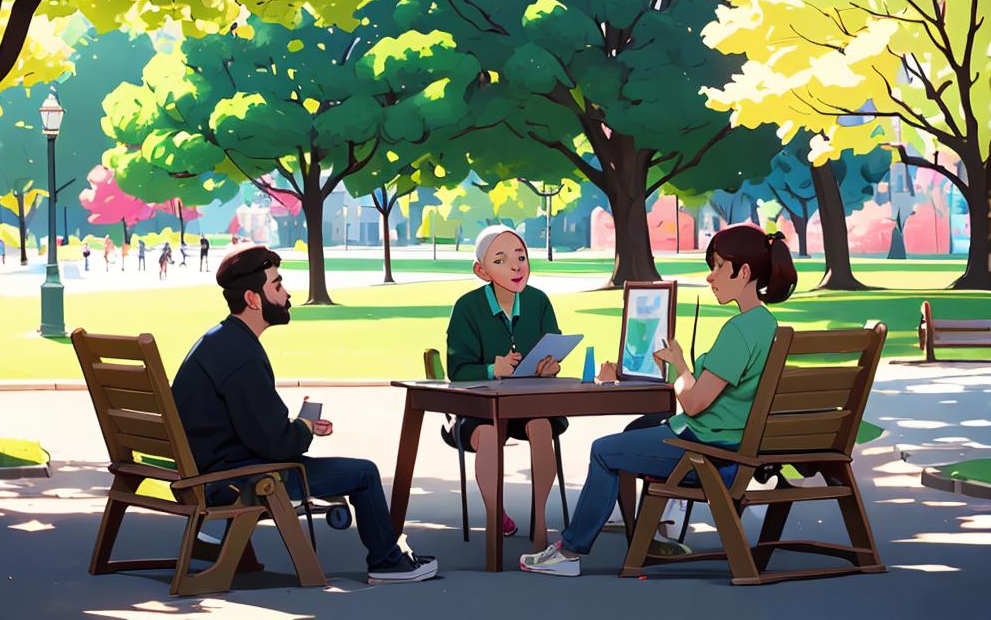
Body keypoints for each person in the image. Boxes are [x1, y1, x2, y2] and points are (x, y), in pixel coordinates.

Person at [520, 224, 798, 577]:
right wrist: (679, 366)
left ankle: (570, 552)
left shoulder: (739, 331)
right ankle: (648, 535)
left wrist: (680, 366)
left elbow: (695, 403)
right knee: (639, 427)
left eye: (717, 267)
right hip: (734, 440)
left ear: (743, 272)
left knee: (604, 451)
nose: (711, 277)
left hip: (712, 452)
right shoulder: (766, 324)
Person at [171, 246, 438, 584]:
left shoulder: (218, 340)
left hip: (211, 468)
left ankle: (236, 555)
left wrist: (299, 426)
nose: (287, 294)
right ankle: (387, 563)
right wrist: (304, 428)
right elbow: (276, 443)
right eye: (278, 286)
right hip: (237, 478)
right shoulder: (243, 356)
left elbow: (248, 425)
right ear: (254, 299)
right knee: (365, 474)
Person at [446, 225, 566, 551]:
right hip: (481, 410)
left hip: (529, 405)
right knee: (487, 435)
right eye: (501, 260)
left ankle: (540, 526)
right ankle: (495, 516)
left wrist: (550, 366)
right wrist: (491, 369)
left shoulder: (538, 302)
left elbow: (552, 349)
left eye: (521, 257)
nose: (516, 267)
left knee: (541, 427)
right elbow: (456, 371)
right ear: (481, 270)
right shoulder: (467, 308)